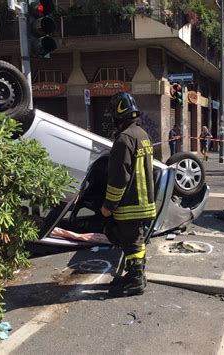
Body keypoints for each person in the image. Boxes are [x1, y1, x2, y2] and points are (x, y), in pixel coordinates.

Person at [100, 92, 156, 297]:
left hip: (130, 203)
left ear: (118, 115)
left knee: (132, 242)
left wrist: (108, 205)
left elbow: (118, 177)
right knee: (135, 240)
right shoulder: (142, 135)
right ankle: (137, 276)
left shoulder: (124, 139)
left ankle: (135, 281)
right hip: (144, 202)